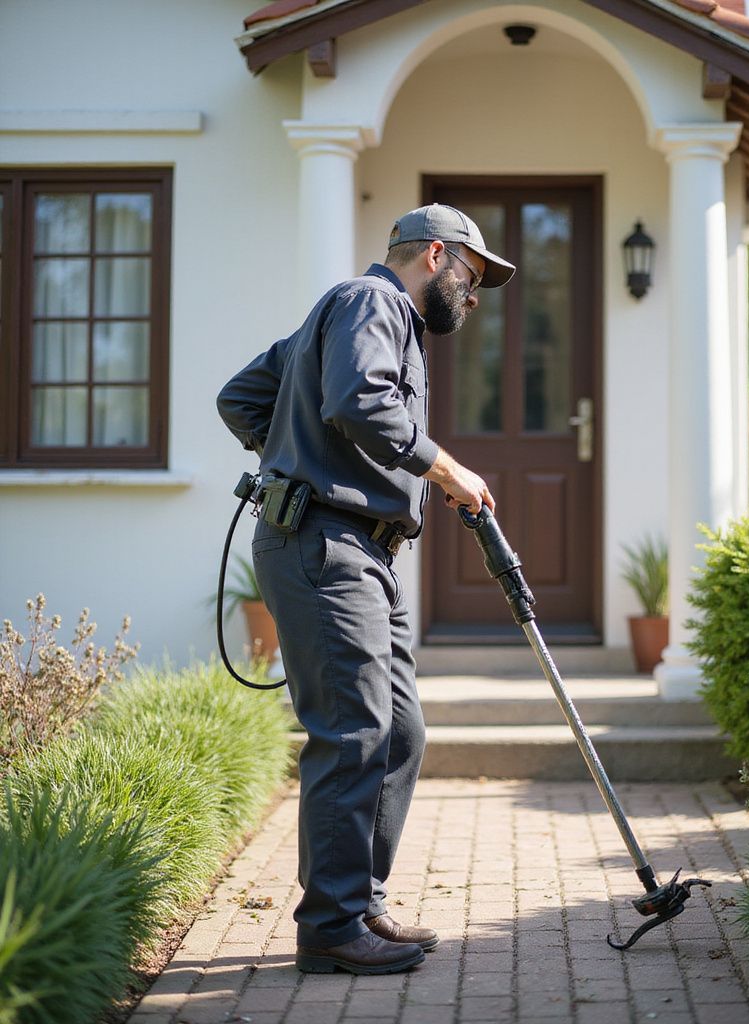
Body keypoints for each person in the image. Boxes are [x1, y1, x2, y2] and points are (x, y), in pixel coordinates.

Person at [217, 205, 515, 976]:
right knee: (353, 732)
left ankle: (360, 904)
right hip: (325, 546)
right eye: (472, 279)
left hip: (361, 551)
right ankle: (329, 925)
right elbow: (359, 401)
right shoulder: (372, 301)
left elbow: (242, 398)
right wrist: (444, 469)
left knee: (400, 732)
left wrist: (296, 448)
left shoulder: (361, 317)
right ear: (437, 255)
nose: (473, 297)